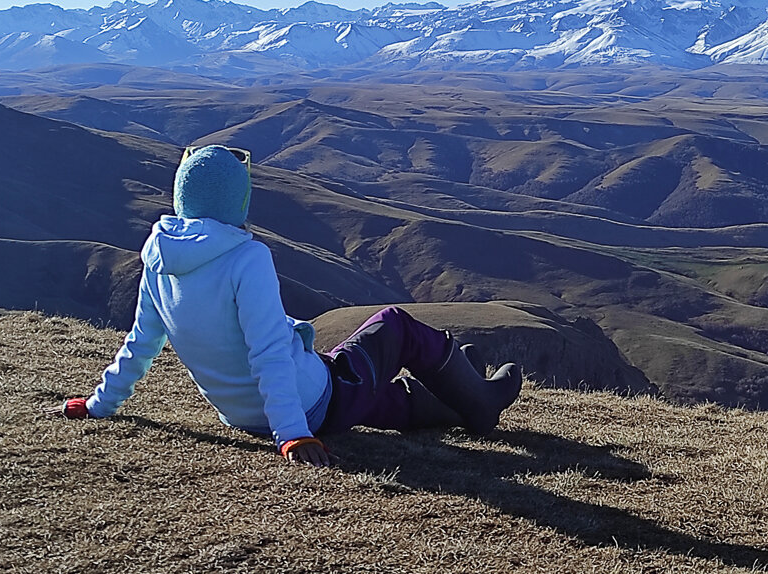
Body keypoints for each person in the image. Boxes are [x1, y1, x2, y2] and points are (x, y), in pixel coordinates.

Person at [51, 144, 523, 467]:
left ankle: (459, 385)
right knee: (395, 326)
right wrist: (293, 434)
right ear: (238, 197)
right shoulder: (244, 257)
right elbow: (268, 352)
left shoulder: (159, 255)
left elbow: (141, 342)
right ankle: (480, 403)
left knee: (378, 399)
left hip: (242, 414)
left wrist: (99, 404)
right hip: (306, 402)